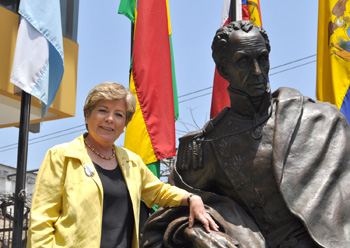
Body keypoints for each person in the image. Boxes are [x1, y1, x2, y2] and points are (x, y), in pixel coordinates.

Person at [141, 20, 350, 248]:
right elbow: (171, 216)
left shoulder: (320, 121)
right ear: (223, 69)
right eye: (244, 62)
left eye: (262, 58)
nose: (257, 72)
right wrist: (199, 233)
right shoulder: (206, 146)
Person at [28, 82, 218, 248]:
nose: (110, 119)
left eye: (118, 115)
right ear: (87, 115)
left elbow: (159, 191)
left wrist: (192, 198)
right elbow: (41, 221)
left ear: (124, 124)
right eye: (102, 110)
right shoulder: (61, 156)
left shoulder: (132, 162)